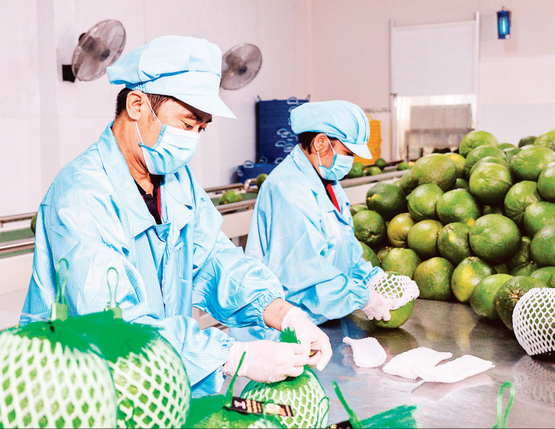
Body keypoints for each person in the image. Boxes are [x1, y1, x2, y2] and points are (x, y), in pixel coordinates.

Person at [20, 36, 331, 397]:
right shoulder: (81, 194)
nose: (193, 139)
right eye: (187, 124)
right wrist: (229, 356)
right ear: (137, 104)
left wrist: (284, 313)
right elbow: (113, 324)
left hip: (158, 387)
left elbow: (216, 260)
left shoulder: (175, 181)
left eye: (202, 128)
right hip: (85, 396)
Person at [238, 100, 410, 341]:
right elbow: (303, 271)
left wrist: (371, 278)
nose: (351, 162)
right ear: (320, 142)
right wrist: (362, 298)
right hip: (282, 329)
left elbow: (344, 248)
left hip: (320, 318)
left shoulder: (328, 182)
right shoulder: (288, 188)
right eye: (348, 153)